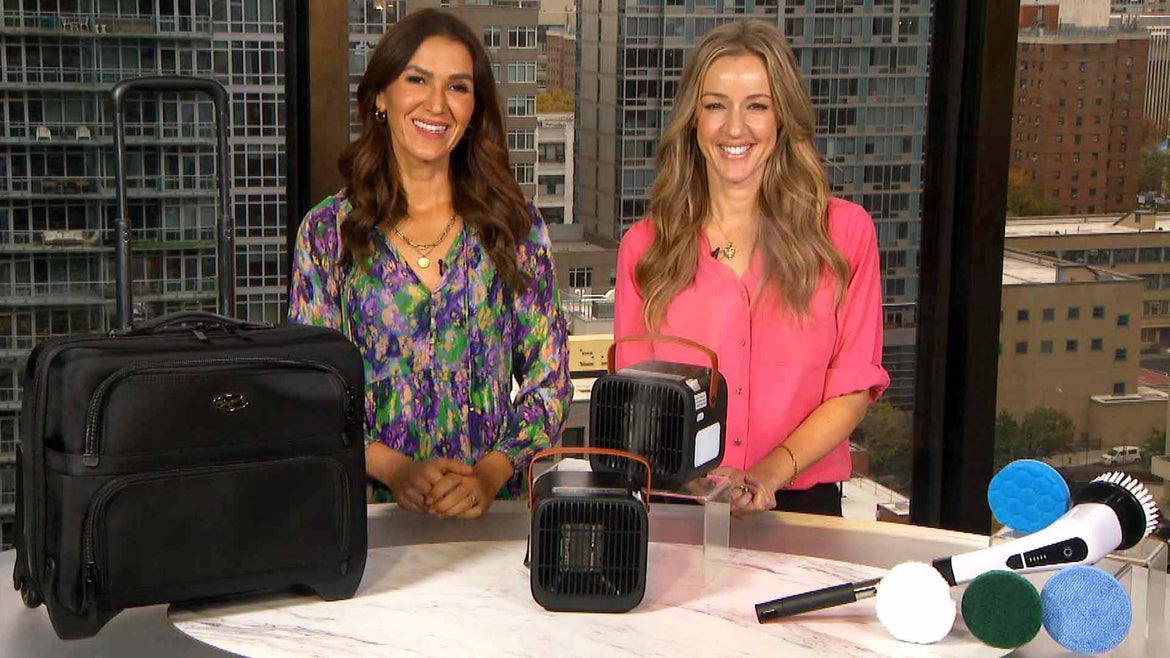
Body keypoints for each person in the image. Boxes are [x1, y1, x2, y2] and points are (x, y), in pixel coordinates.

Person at [288, 9, 572, 519]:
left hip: (490, 520)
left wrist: (490, 472)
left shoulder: (515, 226)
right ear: (381, 96)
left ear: (474, 107)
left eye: (458, 87)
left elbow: (549, 384)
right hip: (366, 521)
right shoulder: (327, 233)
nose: (436, 104)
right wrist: (396, 470)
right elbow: (312, 393)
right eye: (417, 79)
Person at [613, 20, 889, 517]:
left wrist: (769, 473)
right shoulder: (646, 247)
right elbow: (637, 398)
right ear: (693, 119)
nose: (734, 127)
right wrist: (696, 480)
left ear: (782, 117)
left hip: (802, 509)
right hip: (678, 506)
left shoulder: (845, 236)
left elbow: (851, 388)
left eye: (756, 106)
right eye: (715, 105)